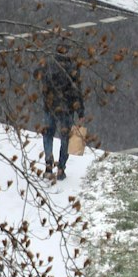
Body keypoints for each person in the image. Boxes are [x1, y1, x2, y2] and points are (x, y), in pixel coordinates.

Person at [38, 41, 85, 180]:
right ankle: (61, 168)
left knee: (48, 134)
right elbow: (78, 90)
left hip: (50, 106)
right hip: (67, 108)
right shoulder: (73, 67)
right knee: (65, 138)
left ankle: (48, 163)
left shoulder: (48, 65)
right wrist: (81, 111)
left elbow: (43, 83)